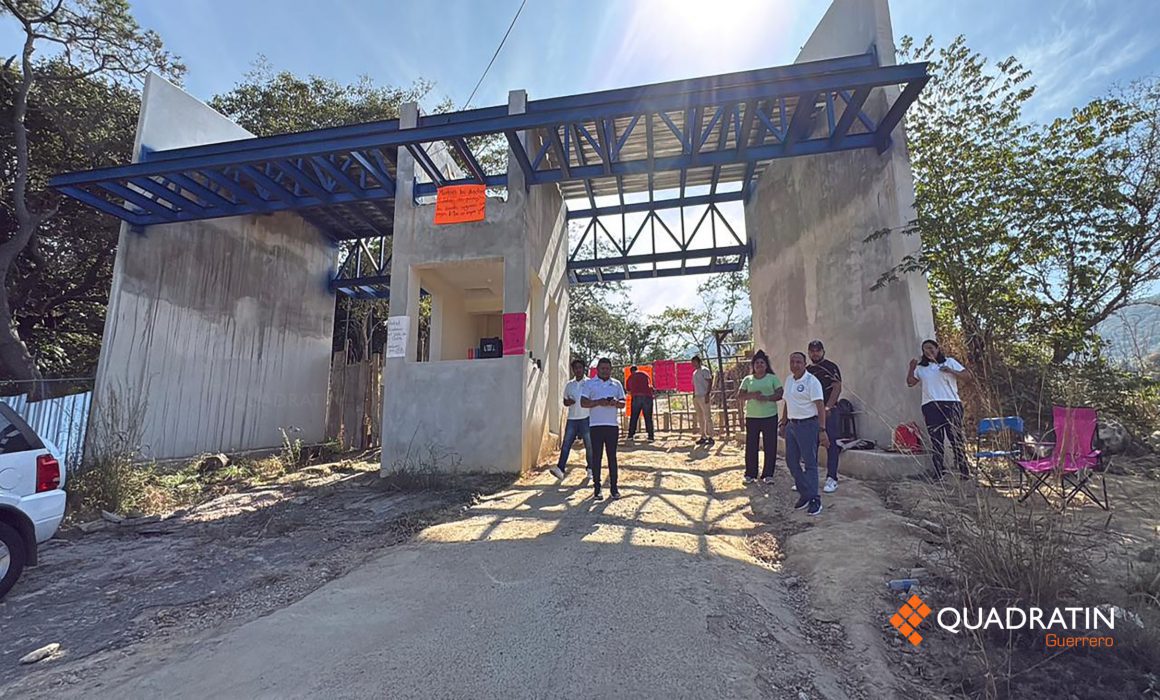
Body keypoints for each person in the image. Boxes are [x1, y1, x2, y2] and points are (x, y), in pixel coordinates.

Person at [906, 339, 972, 479]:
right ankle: (938, 472)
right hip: (930, 405)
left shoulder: (949, 362)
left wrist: (951, 371)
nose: (928, 352)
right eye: (925, 350)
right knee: (936, 439)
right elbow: (910, 383)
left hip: (951, 403)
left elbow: (967, 376)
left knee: (955, 437)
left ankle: (964, 470)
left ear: (937, 349)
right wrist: (911, 368)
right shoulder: (922, 367)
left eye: (931, 348)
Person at [779, 351, 828, 516]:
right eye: (792, 361)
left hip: (808, 425)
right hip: (793, 425)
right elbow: (787, 402)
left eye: (798, 362)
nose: (795, 365)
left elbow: (820, 406)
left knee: (810, 463)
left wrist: (822, 430)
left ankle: (815, 499)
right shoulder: (789, 380)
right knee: (791, 461)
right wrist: (783, 422)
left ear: (804, 363)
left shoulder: (811, 382)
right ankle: (805, 492)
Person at [581, 358, 626, 500]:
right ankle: (597, 488)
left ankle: (614, 488)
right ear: (598, 369)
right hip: (596, 426)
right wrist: (597, 402)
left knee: (612, 457)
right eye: (602, 368)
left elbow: (623, 403)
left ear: (611, 370)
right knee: (597, 457)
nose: (605, 371)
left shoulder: (616, 384)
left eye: (607, 369)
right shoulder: (589, 384)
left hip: (612, 425)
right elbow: (583, 402)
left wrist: (615, 403)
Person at [737, 350, 784, 485]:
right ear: (753, 365)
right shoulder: (748, 379)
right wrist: (752, 395)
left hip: (769, 416)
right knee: (751, 445)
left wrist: (767, 398)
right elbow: (740, 396)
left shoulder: (772, 378)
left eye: (762, 362)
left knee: (770, 445)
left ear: (766, 365)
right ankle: (750, 473)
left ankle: (768, 474)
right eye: (757, 363)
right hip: (752, 417)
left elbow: (780, 393)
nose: (759, 365)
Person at [806, 340, 843, 494]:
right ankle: (810, 478)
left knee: (831, 444)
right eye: (812, 351)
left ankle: (832, 478)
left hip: (829, 411)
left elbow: (837, 387)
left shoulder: (831, 367)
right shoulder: (806, 370)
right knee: (810, 446)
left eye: (818, 350)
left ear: (823, 351)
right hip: (812, 413)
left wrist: (828, 406)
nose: (815, 353)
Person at [551, 359, 592, 480]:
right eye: (575, 368)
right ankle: (560, 468)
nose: (578, 370)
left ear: (584, 369)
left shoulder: (589, 383)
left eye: (580, 367)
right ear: (573, 370)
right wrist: (568, 402)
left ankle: (590, 468)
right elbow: (565, 401)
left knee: (589, 445)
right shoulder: (569, 385)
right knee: (566, 444)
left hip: (586, 418)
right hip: (572, 419)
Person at [625, 365, 655, 442]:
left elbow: (628, 390)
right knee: (648, 417)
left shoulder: (630, 378)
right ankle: (650, 436)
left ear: (631, 371)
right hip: (647, 397)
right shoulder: (645, 374)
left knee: (634, 417)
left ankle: (631, 435)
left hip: (636, 397)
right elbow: (650, 385)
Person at [691, 356, 714, 445]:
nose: (693, 364)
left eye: (694, 362)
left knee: (707, 416)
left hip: (704, 395)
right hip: (697, 396)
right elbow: (694, 385)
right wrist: (694, 395)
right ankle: (703, 436)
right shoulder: (694, 373)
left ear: (698, 362)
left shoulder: (704, 370)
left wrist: (707, 394)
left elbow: (709, 381)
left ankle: (711, 436)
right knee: (700, 417)